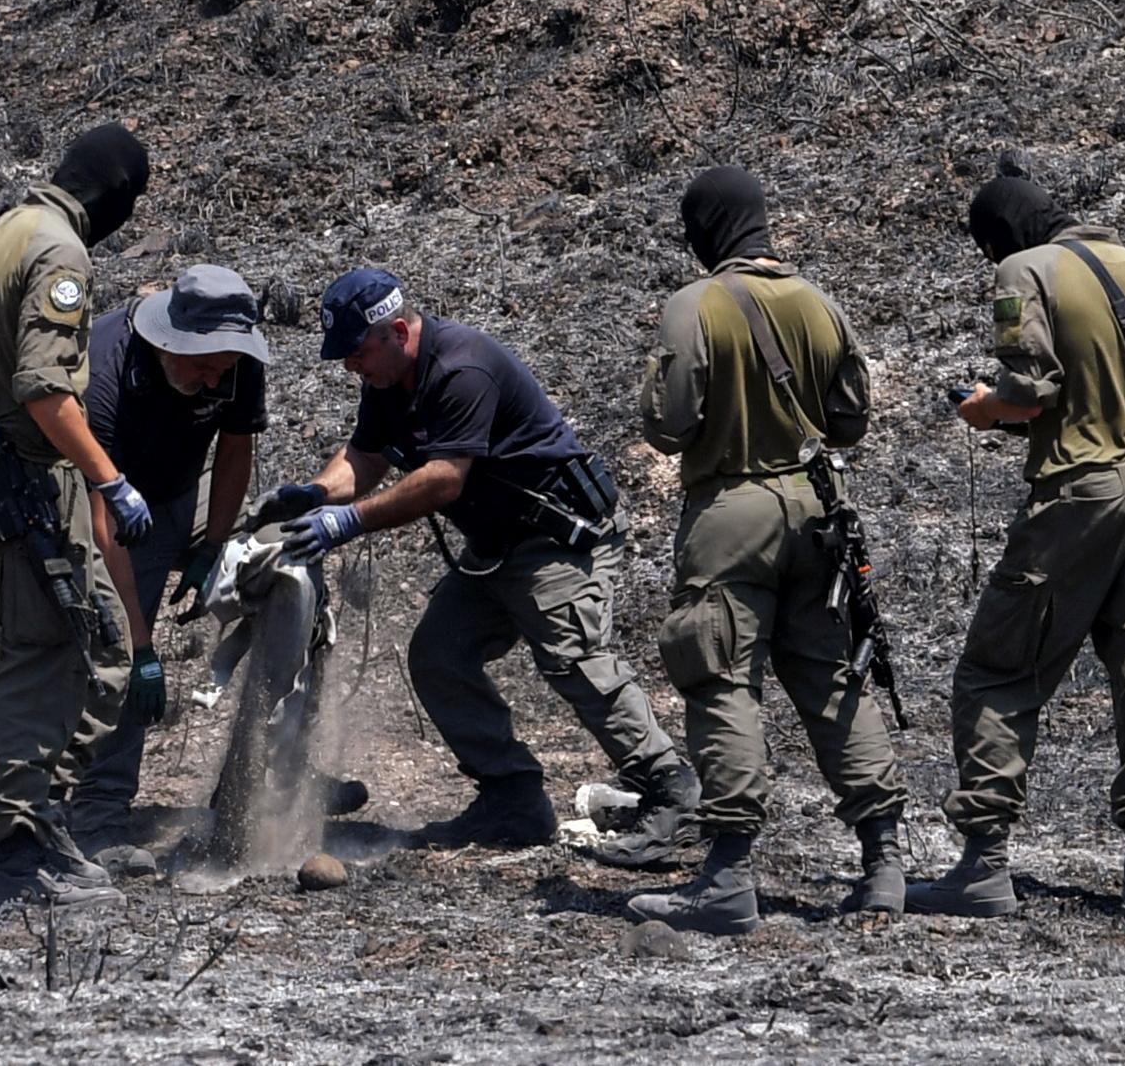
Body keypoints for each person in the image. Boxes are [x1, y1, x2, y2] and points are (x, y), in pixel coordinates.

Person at [257, 266, 697, 851]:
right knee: (440, 656)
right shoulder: (387, 381)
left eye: (358, 351)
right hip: (496, 547)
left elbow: (443, 480)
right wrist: (317, 493)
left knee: (574, 659)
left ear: (398, 332)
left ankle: (671, 790)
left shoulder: (463, 368)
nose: (350, 367)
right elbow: (363, 457)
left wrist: (350, 520)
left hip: (557, 540)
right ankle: (510, 798)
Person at [615, 167, 908, 933]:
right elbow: (849, 421)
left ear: (705, 229)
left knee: (721, 680)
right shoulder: (819, 301)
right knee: (835, 678)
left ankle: (729, 871)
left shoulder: (694, 305)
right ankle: (882, 862)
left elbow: (668, 425)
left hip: (730, 512)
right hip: (819, 510)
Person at [912, 165, 1125, 925]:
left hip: (1075, 496)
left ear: (1000, 235)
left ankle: (981, 861)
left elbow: (1029, 387)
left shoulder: (1022, 270)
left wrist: (986, 411)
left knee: (996, 670)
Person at [0, 121, 153, 907]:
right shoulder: (60, 252)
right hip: (39, 481)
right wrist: (109, 478)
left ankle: (44, 822)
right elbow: (43, 387)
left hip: (4, 477)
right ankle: (22, 849)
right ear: (114, 194)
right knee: (49, 652)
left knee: (79, 644)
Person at [63, 260, 272, 860]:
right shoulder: (103, 366)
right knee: (119, 650)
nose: (214, 381)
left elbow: (235, 452)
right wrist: (143, 642)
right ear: (164, 342)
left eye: (223, 369)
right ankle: (98, 813)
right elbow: (105, 522)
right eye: (201, 367)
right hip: (110, 499)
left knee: (285, 551)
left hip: (183, 489)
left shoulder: (234, 365)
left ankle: (272, 773)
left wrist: (213, 548)